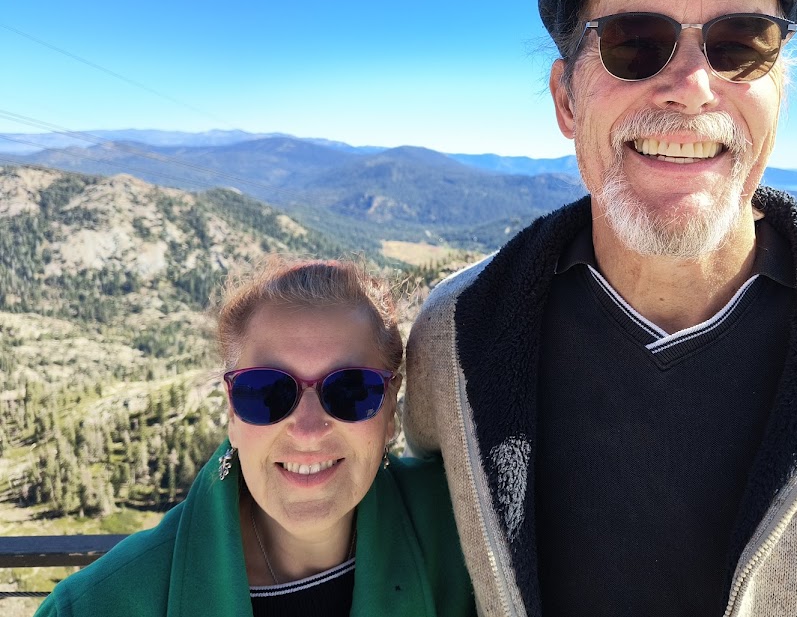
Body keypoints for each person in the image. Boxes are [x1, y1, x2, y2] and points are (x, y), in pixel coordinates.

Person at [403, 0, 797, 616]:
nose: (692, 86)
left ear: (778, 95)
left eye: (741, 45)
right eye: (635, 43)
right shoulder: (454, 336)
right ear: (565, 100)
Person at [36, 256, 475, 616]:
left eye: (351, 390)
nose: (307, 430)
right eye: (267, 391)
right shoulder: (94, 606)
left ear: (391, 407)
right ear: (232, 411)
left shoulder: (471, 529)